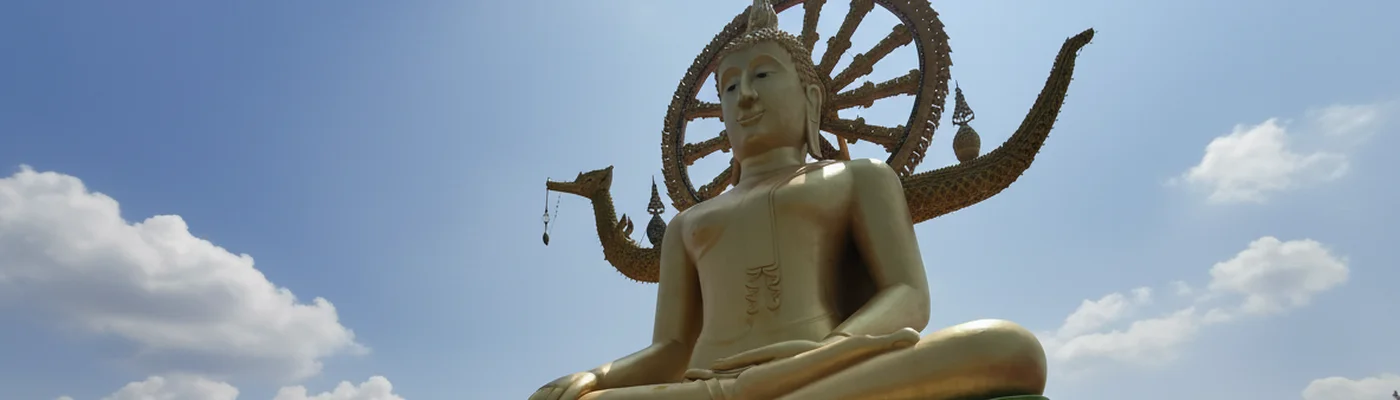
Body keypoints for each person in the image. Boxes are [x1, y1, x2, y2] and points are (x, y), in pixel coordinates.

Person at [530, 1, 1047, 399]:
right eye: (729, 87)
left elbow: (909, 296)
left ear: (811, 97)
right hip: (710, 385)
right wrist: (596, 375)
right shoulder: (691, 222)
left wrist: (830, 352)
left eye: (761, 75)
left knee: (1008, 347)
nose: (744, 96)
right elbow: (671, 350)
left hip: (820, 366)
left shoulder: (860, 178)